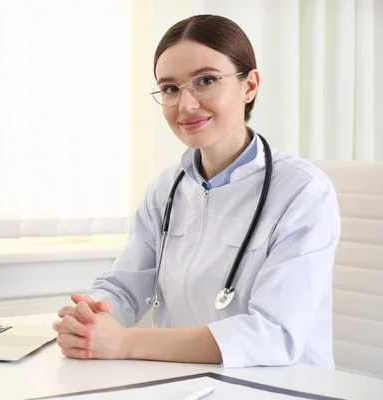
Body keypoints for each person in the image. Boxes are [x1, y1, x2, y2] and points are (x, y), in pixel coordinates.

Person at [51, 14, 340, 368]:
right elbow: (126, 285)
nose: (185, 105)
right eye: (170, 88)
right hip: (180, 381)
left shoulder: (303, 191)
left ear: (249, 86)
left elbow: (274, 335)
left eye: (206, 81)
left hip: (276, 386)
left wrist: (125, 341)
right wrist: (91, 317)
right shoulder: (167, 187)